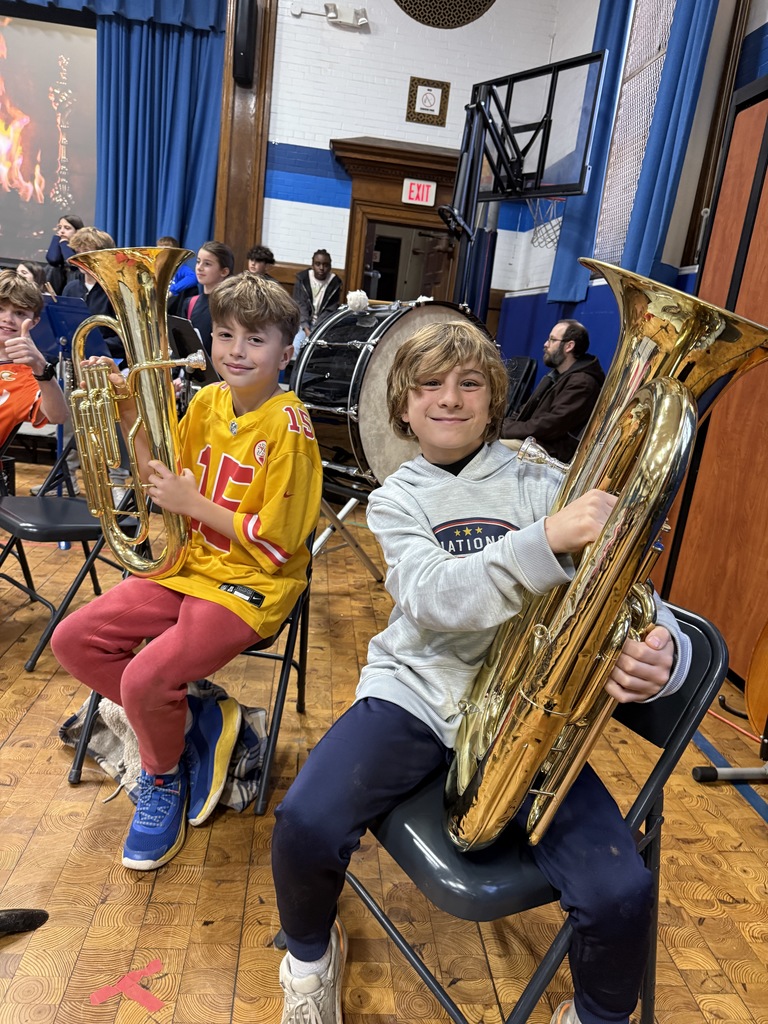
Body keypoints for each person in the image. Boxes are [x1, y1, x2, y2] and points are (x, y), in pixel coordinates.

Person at [270, 320, 692, 1024]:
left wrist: (664, 651)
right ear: (402, 406)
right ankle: (310, 958)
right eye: (429, 385)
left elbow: (636, 592)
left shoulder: (546, 484)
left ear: (493, 401)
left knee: (620, 888)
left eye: (469, 384)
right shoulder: (396, 497)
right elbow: (434, 598)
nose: (450, 398)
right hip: (415, 695)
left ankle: (596, 1017)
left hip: (535, 716)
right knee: (305, 820)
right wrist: (546, 541)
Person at [51, 273, 323, 872]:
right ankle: (195, 716)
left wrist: (193, 505)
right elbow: (159, 483)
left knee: (145, 679)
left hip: (252, 582)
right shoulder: (204, 401)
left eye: (255, 339)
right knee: (72, 640)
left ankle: (164, 774)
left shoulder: (291, 426)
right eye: (225, 334)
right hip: (188, 565)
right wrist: (129, 414)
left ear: (287, 348)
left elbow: (278, 544)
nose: (235, 350)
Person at [501, 320, 605, 462]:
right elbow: (523, 412)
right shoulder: (557, 376)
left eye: (552, 340)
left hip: (547, 450)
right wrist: (499, 426)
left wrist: (504, 431)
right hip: (533, 441)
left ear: (569, 346)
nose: (545, 344)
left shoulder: (583, 383)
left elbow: (550, 425)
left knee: (489, 448)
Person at [0, 271, 70, 448]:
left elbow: (58, 416)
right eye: (0, 309)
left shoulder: (26, 374)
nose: (7, 319)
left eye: (19, 313)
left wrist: (40, 367)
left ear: (34, 322)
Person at [182, 241, 235, 357]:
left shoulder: (231, 306)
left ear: (224, 271)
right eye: (198, 262)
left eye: (207, 264)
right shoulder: (190, 303)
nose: (199, 268)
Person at [292, 250, 342, 340]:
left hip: (322, 323)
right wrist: (306, 329)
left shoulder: (334, 283)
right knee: (297, 342)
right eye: (318, 264)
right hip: (302, 323)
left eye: (325, 265)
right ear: (312, 265)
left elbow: (330, 309)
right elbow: (300, 305)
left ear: (330, 267)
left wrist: (315, 330)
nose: (321, 268)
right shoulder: (303, 280)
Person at [156, 235, 198, 317]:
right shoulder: (156, 269)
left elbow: (193, 278)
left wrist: (173, 290)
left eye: (167, 251)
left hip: (171, 309)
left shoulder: (181, 269)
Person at [44, 213, 84, 294]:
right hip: (59, 281)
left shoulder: (83, 246)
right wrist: (56, 239)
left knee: (74, 272)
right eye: (59, 227)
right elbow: (53, 260)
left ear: (77, 232)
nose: (61, 231)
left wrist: (64, 243)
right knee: (52, 268)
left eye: (67, 228)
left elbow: (73, 263)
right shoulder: (60, 242)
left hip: (77, 280)